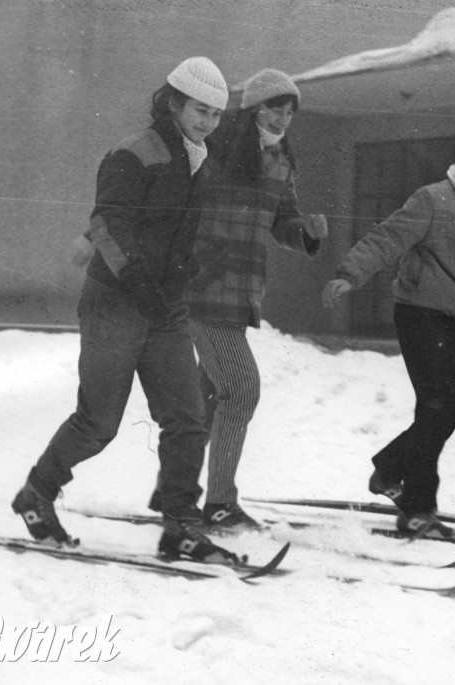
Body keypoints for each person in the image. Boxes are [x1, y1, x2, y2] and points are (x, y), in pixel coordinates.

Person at [12, 57, 240, 564]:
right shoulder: (135, 152)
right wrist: (139, 279)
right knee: (98, 423)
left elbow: (179, 232)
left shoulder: (197, 158)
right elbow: (108, 223)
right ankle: (36, 493)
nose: (207, 122)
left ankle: (181, 525)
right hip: (116, 303)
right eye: (200, 110)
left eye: (216, 115)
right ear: (175, 101)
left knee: (188, 416)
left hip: (166, 307)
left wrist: (189, 270)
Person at [322, 124, 455, 539]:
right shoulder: (433, 198)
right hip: (417, 313)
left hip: (452, 319)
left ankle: (409, 496)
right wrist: (350, 274)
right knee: (438, 411)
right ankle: (403, 487)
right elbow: (387, 238)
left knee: (442, 414)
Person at [147, 68, 329, 529]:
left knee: (210, 395)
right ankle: (220, 502)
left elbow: (282, 219)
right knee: (241, 387)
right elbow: (173, 197)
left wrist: (304, 232)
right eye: (274, 108)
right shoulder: (215, 149)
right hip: (201, 287)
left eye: (289, 112)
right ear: (253, 108)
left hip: (241, 291)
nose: (282, 118)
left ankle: (172, 489)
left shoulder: (282, 159)